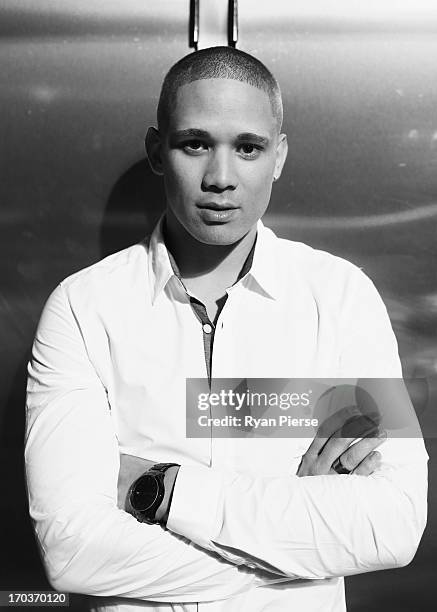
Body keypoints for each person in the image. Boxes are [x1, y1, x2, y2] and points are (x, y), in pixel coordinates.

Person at [25, 46, 428, 612]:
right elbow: (72, 551)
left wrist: (160, 489)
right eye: (195, 143)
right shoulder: (83, 307)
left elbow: (392, 527)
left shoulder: (339, 298)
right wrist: (298, 550)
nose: (221, 177)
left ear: (279, 156)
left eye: (248, 148)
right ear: (156, 152)